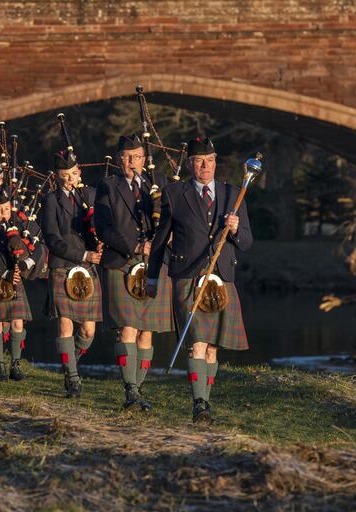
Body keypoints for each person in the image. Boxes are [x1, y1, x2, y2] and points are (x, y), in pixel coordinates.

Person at [146, 137, 252, 424]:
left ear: (216, 162)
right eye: (198, 160)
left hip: (222, 278)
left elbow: (246, 243)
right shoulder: (174, 194)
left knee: (213, 347)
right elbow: (159, 241)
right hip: (188, 276)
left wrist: (235, 228)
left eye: (210, 160)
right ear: (190, 164)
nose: (205, 166)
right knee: (196, 343)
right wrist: (153, 277)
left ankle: (205, 399)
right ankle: (199, 404)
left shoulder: (234, 194)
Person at [95, 134, 175, 411]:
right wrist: (137, 245)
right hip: (122, 260)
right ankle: (130, 389)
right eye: (128, 157)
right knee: (128, 328)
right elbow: (104, 228)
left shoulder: (158, 183)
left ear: (144, 159)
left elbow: (171, 216)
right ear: (119, 160)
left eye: (137, 156)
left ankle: (139, 389)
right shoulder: (108, 185)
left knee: (147, 331)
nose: (133, 162)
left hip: (154, 262)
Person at [40, 151, 104, 398]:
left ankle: (70, 363)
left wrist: (101, 242)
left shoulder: (90, 196)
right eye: (64, 176)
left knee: (88, 330)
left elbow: (102, 225)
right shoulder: (51, 201)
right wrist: (84, 255)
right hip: (64, 264)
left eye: (73, 174)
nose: (69, 179)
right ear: (57, 177)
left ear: (80, 173)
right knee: (65, 324)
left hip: (88, 267)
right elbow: (52, 238)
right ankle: (73, 378)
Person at [0, 189, 36, 381]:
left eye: (6, 209)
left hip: (15, 281)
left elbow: (34, 251)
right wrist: (5, 273)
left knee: (18, 322)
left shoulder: (19, 229)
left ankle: (15, 365)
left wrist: (25, 263)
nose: (3, 213)